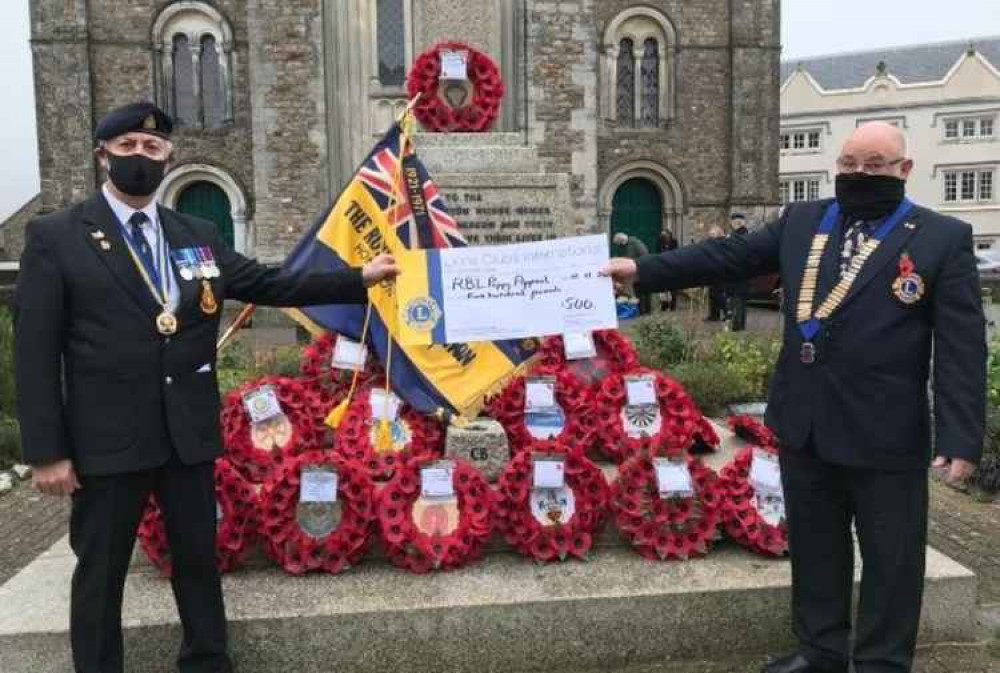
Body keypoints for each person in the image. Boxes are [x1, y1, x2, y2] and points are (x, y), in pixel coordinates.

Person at [14, 102, 400, 673]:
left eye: (151, 148)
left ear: (168, 156)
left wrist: (355, 278)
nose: (139, 158)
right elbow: (35, 352)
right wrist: (48, 452)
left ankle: (206, 661)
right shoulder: (57, 236)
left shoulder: (197, 233)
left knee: (198, 558)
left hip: (187, 435)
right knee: (100, 571)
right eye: (127, 148)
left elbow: (269, 284)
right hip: (107, 441)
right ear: (103, 156)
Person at [603, 121, 985, 673]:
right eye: (850, 164)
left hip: (886, 434)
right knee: (816, 548)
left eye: (875, 165)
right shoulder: (804, 221)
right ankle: (821, 650)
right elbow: (725, 258)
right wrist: (642, 269)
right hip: (804, 422)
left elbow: (961, 345)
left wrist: (960, 436)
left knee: (892, 559)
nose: (860, 174)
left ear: (904, 170)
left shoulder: (939, 238)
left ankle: (881, 661)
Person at [613, 231, 651, 315]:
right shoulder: (623, 246)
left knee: (642, 292)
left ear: (622, 241)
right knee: (635, 290)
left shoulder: (635, 244)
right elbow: (623, 256)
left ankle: (645, 311)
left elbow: (644, 255)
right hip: (631, 271)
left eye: (619, 244)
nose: (619, 246)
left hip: (640, 270)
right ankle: (638, 310)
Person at [727, 214, 751, 331]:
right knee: (741, 300)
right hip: (744, 274)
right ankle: (740, 325)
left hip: (737, 273)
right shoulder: (747, 235)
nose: (731, 225)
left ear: (737, 223)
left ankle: (737, 325)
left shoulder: (737, 237)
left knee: (737, 300)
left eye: (733, 223)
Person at [704, 225, 728, 321]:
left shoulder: (723, 242)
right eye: (710, 234)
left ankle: (726, 314)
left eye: (712, 234)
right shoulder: (711, 243)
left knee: (720, 295)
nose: (711, 236)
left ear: (718, 233)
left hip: (721, 271)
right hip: (713, 271)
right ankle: (714, 315)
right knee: (712, 295)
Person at [657, 230, 679, 311]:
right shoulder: (659, 242)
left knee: (673, 287)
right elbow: (658, 252)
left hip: (672, 266)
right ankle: (664, 305)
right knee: (663, 287)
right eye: (663, 237)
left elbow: (676, 252)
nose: (664, 239)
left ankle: (673, 306)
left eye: (666, 237)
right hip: (663, 266)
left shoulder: (674, 242)